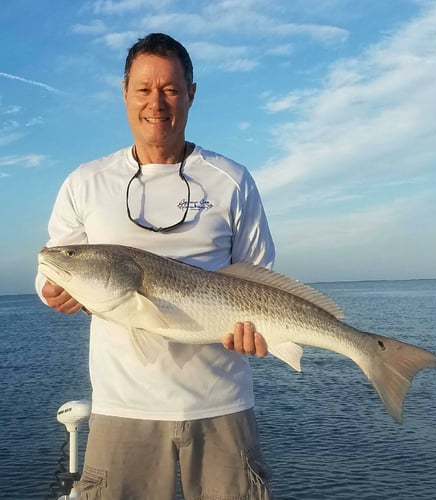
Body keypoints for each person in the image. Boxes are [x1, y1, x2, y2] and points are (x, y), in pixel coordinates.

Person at [36, 33, 275, 499]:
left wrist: (260, 332)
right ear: (124, 92)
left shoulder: (232, 180)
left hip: (221, 405)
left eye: (170, 89)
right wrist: (51, 287)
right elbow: (53, 263)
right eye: (144, 89)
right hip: (123, 408)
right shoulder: (85, 182)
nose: (157, 103)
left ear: (191, 93)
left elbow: (260, 277)